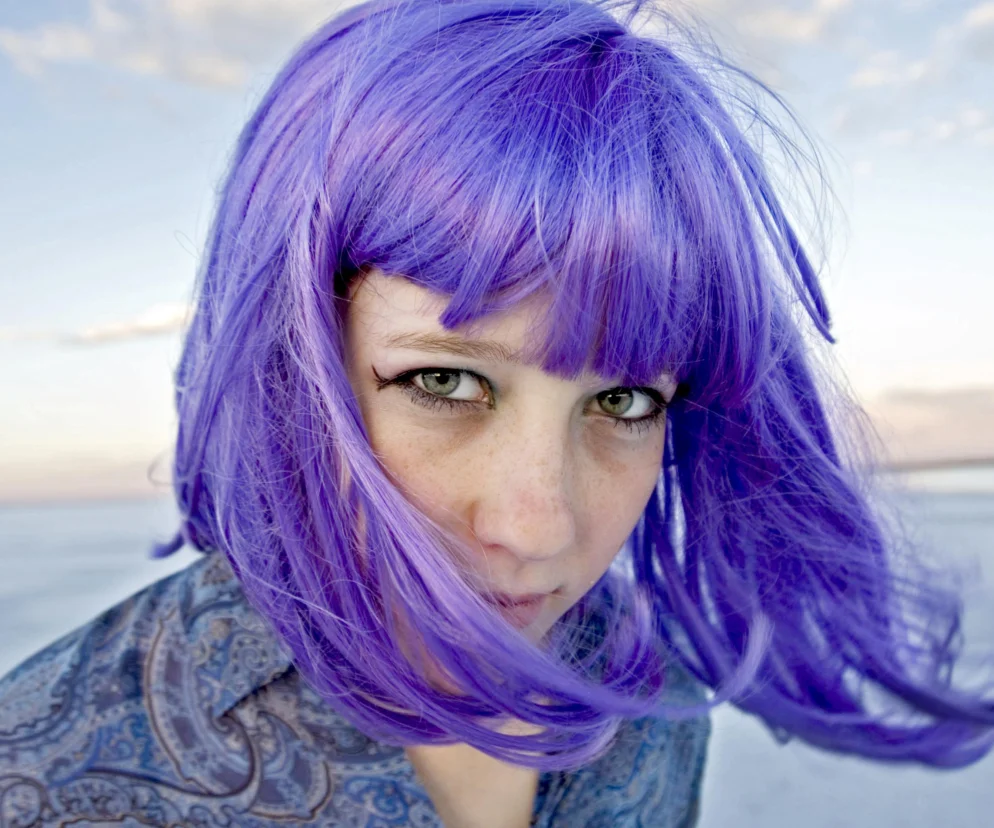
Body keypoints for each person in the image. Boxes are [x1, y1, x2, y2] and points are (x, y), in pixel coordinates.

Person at [2, 0, 992, 825]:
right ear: (285, 369)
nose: (538, 529)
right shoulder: (53, 777)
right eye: (444, 382)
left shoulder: (650, 692)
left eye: (623, 399)